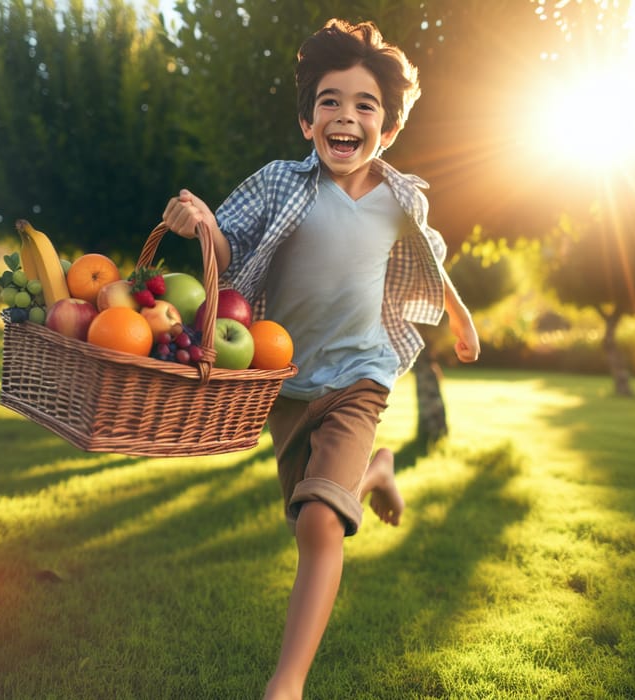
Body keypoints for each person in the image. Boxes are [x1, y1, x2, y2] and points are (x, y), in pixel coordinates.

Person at [162, 18, 480, 700]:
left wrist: (459, 313)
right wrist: (203, 225)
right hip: (286, 383)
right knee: (312, 509)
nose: (346, 116)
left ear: (387, 129)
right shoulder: (280, 182)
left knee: (316, 524)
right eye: (330, 102)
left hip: (361, 377)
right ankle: (379, 472)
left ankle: (287, 685)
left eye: (365, 105)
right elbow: (227, 247)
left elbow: (430, 254)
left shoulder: (402, 199)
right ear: (307, 121)